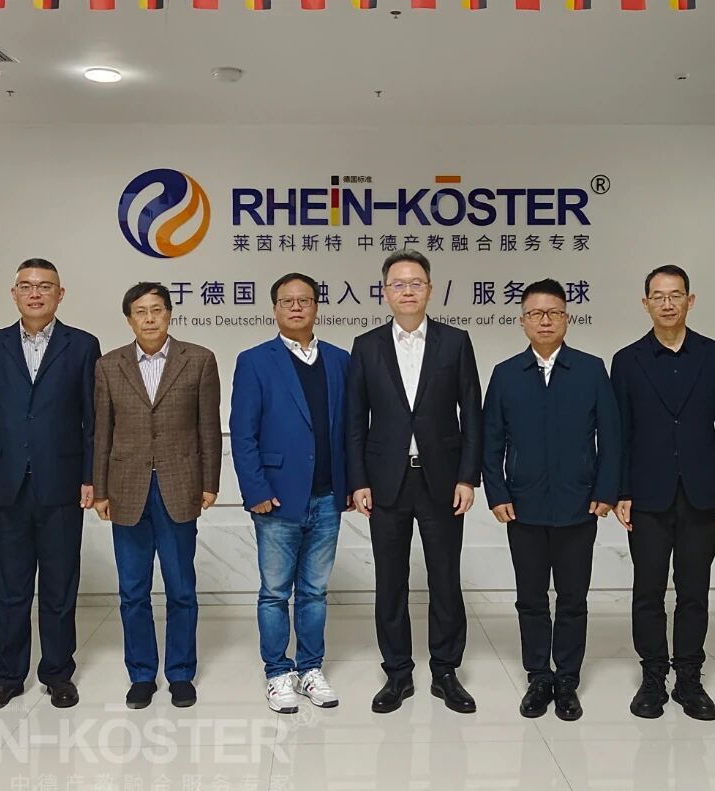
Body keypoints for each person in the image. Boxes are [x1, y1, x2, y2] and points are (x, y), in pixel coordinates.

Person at [346, 249, 483, 715]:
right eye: (398, 284)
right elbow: (354, 421)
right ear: (385, 291)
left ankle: (445, 671)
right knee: (391, 580)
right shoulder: (366, 346)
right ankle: (397, 673)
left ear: (430, 289)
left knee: (445, 577)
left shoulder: (455, 342)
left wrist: (468, 477)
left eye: (416, 283)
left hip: (442, 480)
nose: (408, 291)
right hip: (385, 481)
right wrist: (358, 480)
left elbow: (472, 413)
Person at [0, 258, 101, 713]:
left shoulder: (82, 345)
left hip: (62, 482)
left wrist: (90, 476)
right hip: (6, 483)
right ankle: (7, 677)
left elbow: (91, 420)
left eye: (45, 286)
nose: (36, 293)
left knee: (60, 586)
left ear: (61, 294)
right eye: (26, 286)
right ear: (14, 294)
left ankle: (58, 673)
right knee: (10, 588)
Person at [482, 278, 619, 722]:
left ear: (567, 318)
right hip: (523, 506)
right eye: (536, 314)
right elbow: (490, 441)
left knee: (573, 598)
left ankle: (567, 680)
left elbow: (612, 437)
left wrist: (605, 490)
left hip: (579, 504)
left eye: (554, 313)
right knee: (531, 597)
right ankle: (539, 676)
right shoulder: (506, 374)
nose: (545, 320)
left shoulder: (591, 370)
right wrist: (497, 493)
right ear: (522, 321)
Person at [610, 264, 715, 721]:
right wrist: (621, 490)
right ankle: (652, 676)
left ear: (690, 300)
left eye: (676, 295)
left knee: (694, 589)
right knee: (647, 589)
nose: (667, 303)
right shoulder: (627, 360)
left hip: (701, 492)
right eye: (659, 296)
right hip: (646, 495)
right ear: (645, 302)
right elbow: (619, 433)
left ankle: (689, 677)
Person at [93, 283, 222, 710]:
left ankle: (181, 673)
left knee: (181, 588)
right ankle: (142, 674)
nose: (149, 319)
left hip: (179, 486)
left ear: (169, 314)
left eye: (156, 310)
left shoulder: (199, 359)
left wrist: (210, 482)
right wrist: (100, 489)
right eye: (140, 312)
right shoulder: (109, 365)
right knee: (133, 591)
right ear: (129, 319)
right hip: (126, 488)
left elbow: (208, 427)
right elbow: (102, 432)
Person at [231, 273, 350, 714]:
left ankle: (310, 668)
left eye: (304, 300)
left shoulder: (340, 360)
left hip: (328, 496)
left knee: (315, 591)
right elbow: (243, 433)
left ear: (316, 307)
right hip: (276, 497)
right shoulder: (254, 361)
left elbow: (351, 429)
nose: (296, 307)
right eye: (287, 301)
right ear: (275, 309)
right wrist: (256, 490)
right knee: (275, 592)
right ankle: (278, 672)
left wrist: (350, 485)